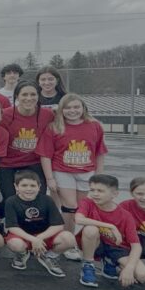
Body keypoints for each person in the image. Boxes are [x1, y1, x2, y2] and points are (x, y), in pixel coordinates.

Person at [37, 93, 107, 236]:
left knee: (81, 209)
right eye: (67, 108)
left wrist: (99, 176)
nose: (72, 111)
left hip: (86, 171)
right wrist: (50, 178)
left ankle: (77, 238)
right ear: (61, 109)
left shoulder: (95, 126)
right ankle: (68, 238)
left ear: (83, 108)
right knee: (70, 206)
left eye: (76, 107)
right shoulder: (54, 127)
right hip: (63, 171)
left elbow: (99, 152)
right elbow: (45, 155)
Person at [75, 174, 145, 289]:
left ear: (114, 194)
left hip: (116, 247)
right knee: (90, 229)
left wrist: (129, 268)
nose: (95, 194)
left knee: (143, 276)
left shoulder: (125, 215)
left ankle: (110, 261)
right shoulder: (88, 203)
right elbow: (78, 219)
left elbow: (136, 246)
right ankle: (88, 265)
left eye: (100, 191)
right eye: (92, 190)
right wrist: (111, 226)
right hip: (95, 243)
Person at [3, 169, 70, 278]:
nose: (28, 189)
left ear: (39, 187)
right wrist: (33, 239)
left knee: (69, 239)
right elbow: (12, 227)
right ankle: (22, 254)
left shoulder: (47, 200)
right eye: (24, 185)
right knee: (15, 244)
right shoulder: (11, 201)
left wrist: (40, 238)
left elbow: (58, 225)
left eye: (33, 186)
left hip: (43, 236)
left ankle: (48, 256)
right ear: (16, 186)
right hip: (23, 236)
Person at [0, 81, 52, 204]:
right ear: (17, 96)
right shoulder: (5, 114)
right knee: (10, 199)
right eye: (24, 95)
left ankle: (32, 222)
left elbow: (68, 121)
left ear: (38, 96)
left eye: (33, 95)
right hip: (8, 163)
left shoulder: (47, 114)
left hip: (34, 161)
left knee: (38, 197)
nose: (29, 98)